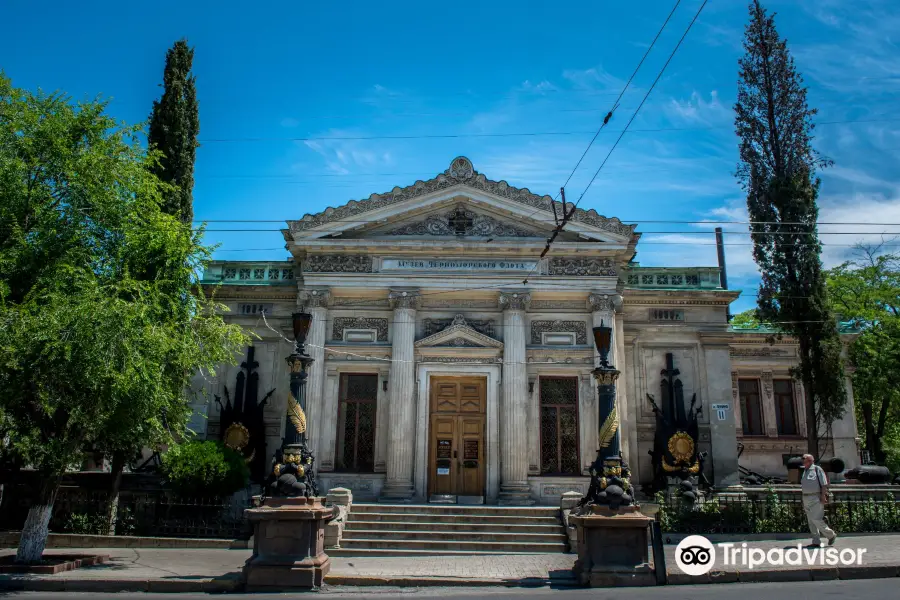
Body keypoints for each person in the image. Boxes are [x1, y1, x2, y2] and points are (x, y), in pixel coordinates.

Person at [801, 453, 836, 546]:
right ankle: (816, 541)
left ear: (810, 460)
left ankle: (831, 535)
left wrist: (823, 496)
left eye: (805, 459)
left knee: (816, 519)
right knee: (810, 521)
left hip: (815, 497)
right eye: (803, 459)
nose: (803, 460)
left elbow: (824, 484)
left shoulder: (817, 469)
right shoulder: (805, 470)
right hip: (806, 497)